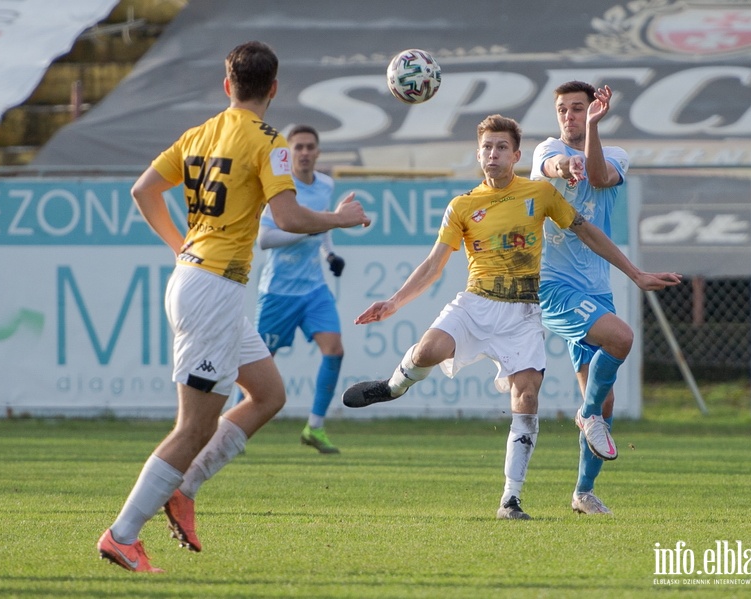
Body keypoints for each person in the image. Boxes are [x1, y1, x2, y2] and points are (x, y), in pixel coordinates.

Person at [96, 41, 370, 573]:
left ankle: (185, 489)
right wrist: (340, 218)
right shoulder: (271, 143)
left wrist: (181, 247)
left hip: (199, 278)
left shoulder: (199, 133)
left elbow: (143, 191)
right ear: (273, 88)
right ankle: (122, 534)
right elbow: (289, 218)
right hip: (212, 290)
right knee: (194, 427)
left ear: (227, 86)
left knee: (267, 393)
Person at [342, 114, 680, 520]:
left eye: (502, 147)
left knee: (527, 397)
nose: (493, 154)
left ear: (517, 155)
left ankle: (510, 500)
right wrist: (394, 303)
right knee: (429, 351)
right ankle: (393, 387)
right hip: (476, 304)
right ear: (478, 154)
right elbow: (434, 265)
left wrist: (636, 273)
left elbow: (588, 232)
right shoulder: (462, 205)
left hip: (522, 313)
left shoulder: (540, 194)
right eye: (487, 147)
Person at [531, 81, 636, 516]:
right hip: (553, 285)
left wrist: (591, 133)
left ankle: (583, 492)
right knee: (621, 338)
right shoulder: (545, 149)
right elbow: (554, 165)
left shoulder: (617, 156)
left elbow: (597, 176)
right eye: (564, 109)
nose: (570, 116)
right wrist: (563, 165)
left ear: (594, 111)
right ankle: (587, 414)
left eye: (579, 109)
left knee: (604, 400)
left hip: (596, 289)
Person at [254, 124, 347, 454]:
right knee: (257, 365)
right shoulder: (279, 189)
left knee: (334, 350)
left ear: (318, 152)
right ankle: (233, 431)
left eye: (310, 147)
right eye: (299, 148)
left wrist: (329, 253)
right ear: (289, 153)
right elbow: (265, 239)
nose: (305, 153)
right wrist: (307, 231)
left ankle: (315, 427)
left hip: (313, 289)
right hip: (278, 292)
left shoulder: (325, 185)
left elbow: (322, 225)